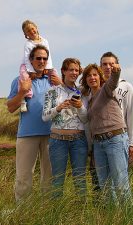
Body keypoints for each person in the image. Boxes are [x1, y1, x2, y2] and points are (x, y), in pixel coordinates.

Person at [7, 45, 62, 202]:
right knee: (24, 177)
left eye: (45, 58)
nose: (42, 61)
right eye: (38, 58)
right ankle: (23, 213)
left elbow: (68, 98)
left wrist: (61, 84)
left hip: (51, 134)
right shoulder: (20, 81)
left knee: (50, 177)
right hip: (27, 134)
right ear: (31, 60)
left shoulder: (53, 80)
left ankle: (48, 212)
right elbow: (11, 108)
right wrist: (22, 92)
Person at [80, 63, 132, 205]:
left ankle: (128, 218)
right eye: (88, 75)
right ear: (85, 80)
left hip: (114, 139)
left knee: (120, 183)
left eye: (95, 74)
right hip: (98, 144)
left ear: (100, 77)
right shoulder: (89, 101)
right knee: (105, 186)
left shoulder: (106, 89)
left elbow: (113, 81)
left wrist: (116, 71)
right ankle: (112, 217)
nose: (92, 77)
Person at [89, 52, 133, 193]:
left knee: (121, 182)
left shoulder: (126, 86)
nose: (108, 67)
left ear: (116, 65)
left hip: (118, 137)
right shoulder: (96, 89)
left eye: (111, 64)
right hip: (99, 140)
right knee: (105, 185)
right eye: (104, 64)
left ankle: (127, 215)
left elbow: (132, 114)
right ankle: (111, 214)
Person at [42, 58, 88, 199]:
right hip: (57, 141)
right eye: (71, 69)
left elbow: (86, 119)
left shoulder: (83, 92)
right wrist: (58, 107)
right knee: (58, 179)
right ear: (63, 71)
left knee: (80, 178)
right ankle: (56, 214)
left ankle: (82, 212)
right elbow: (44, 116)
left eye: (76, 70)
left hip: (79, 141)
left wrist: (80, 106)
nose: (74, 72)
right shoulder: (52, 91)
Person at [19, 20, 58, 112]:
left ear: (36, 28)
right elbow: (27, 58)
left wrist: (48, 68)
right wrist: (31, 71)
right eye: (28, 31)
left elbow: (48, 56)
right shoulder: (28, 44)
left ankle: (55, 96)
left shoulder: (45, 41)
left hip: (44, 64)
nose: (31, 32)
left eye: (32, 29)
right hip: (28, 64)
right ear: (26, 35)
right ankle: (24, 99)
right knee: (23, 77)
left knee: (54, 74)